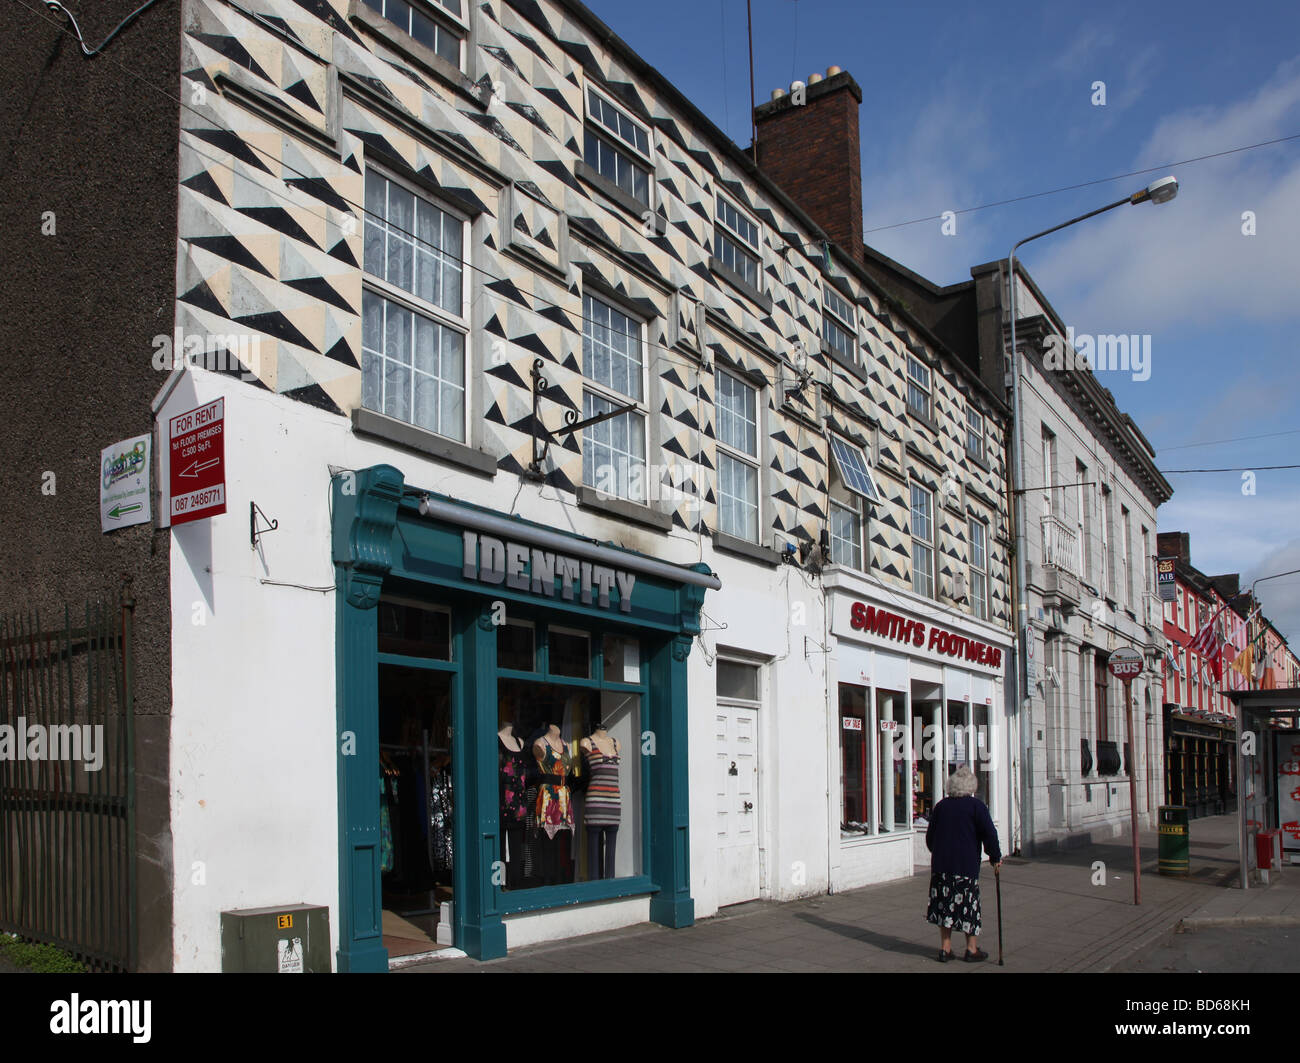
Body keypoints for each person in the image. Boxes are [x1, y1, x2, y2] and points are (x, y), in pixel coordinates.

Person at [925, 765, 1001, 963]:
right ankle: (971, 948)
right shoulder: (976, 806)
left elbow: (930, 837)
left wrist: (939, 851)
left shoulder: (941, 806)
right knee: (968, 906)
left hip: (942, 866)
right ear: (971, 787)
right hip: (965, 865)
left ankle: (945, 948)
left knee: (944, 906)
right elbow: (989, 834)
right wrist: (995, 856)